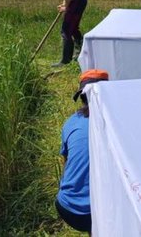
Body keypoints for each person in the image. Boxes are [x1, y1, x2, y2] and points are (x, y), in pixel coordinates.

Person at [56, 68, 108, 233]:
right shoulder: (113, 125)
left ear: (82, 96)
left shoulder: (71, 122)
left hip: (66, 205)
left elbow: (67, 163)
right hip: (93, 212)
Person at [32, 0, 88, 67]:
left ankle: (65, 61)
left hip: (76, 0)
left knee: (66, 30)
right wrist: (64, 4)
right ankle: (81, 52)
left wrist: (65, 8)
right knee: (73, 28)